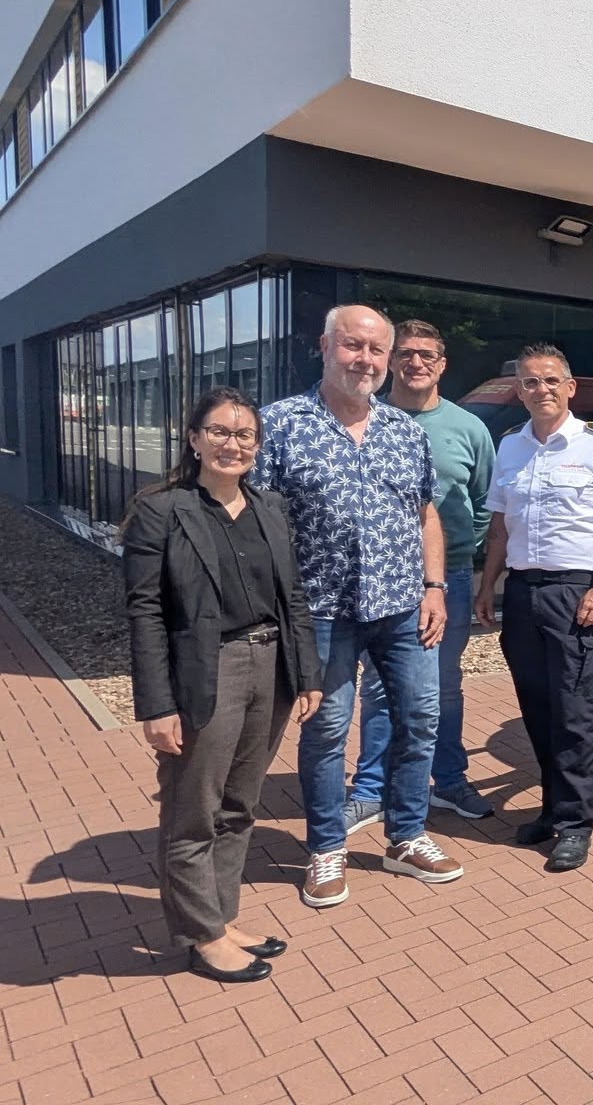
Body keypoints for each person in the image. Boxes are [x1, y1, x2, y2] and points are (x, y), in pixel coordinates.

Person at [256, 304, 465, 909]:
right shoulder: (281, 425)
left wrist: (434, 587)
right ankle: (326, 848)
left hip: (402, 606)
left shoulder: (405, 431)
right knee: (326, 730)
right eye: (353, 345)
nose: (365, 360)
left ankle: (406, 836)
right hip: (319, 613)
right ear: (326, 347)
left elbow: (425, 514)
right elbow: (257, 525)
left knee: (420, 719)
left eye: (376, 350)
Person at [124, 388, 323, 982]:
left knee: (239, 805)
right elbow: (145, 612)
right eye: (218, 432)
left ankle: (222, 917)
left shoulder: (270, 508)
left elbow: (292, 596)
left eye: (244, 435)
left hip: (271, 667)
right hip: (206, 672)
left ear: (257, 446)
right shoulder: (162, 510)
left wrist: (306, 673)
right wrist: (156, 705)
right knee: (193, 809)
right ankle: (202, 935)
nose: (231, 444)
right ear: (194, 439)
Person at [474, 344, 593, 872]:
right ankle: (551, 810)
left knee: (573, 713)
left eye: (550, 380)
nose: (540, 389)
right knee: (538, 710)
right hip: (523, 592)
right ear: (518, 391)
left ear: (570, 388)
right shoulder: (510, 446)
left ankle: (575, 824)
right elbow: (500, 525)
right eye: (530, 382)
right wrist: (488, 585)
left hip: (576, 593)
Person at [344, 320, 497, 834]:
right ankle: (371, 790)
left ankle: (449, 781)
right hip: (379, 578)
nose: (416, 363)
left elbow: (485, 502)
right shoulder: (363, 418)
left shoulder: (468, 429)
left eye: (427, 355)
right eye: (406, 353)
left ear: (442, 364)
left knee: (443, 686)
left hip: (447, 578)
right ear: (391, 360)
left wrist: (460, 552)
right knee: (379, 687)